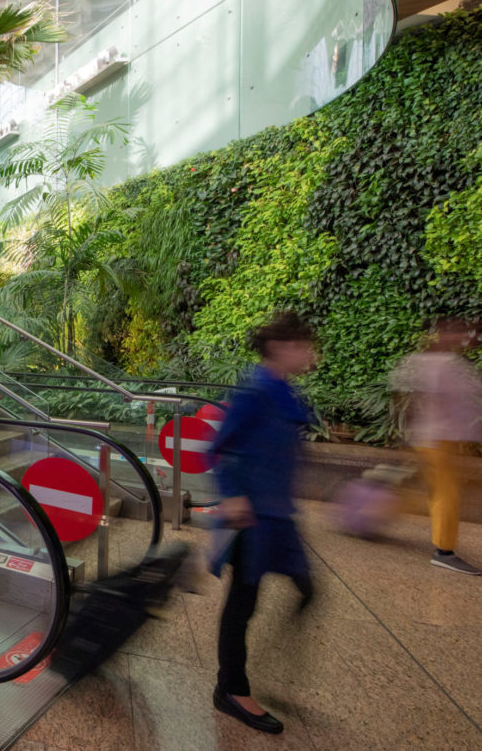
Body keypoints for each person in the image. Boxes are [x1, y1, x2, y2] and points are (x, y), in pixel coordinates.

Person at [208, 311, 317, 735]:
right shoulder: (255, 390)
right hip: (252, 516)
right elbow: (221, 448)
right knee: (242, 604)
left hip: (279, 516)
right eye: (302, 346)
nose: (309, 354)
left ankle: (272, 664)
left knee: (308, 588)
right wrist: (233, 494)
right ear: (279, 348)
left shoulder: (284, 391)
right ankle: (232, 688)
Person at [391, 316, 482, 575]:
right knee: (446, 494)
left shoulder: (443, 362)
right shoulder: (442, 364)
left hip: (439, 440)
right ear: (442, 334)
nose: (464, 338)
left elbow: (406, 395)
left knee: (431, 492)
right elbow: (413, 397)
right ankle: (444, 551)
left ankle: (371, 514)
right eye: (456, 332)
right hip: (436, 440)